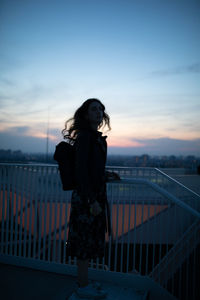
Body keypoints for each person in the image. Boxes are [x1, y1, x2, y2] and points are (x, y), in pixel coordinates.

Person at [62, 98, 112, 299]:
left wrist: (106, 175)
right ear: (85, 114)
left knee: (89, 240)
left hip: (93, 196)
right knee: (83, 242)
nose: (99, 112)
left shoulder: (95, 137)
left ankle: (84, 282)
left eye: (101, 109)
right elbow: (80, 171)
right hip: (87, 198)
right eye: (94, 109)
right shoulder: (85, 137)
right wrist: (92, 201)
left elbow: (92, 168)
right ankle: (82, 287)